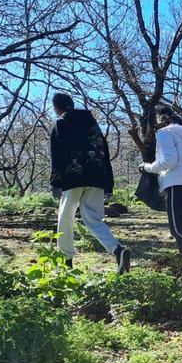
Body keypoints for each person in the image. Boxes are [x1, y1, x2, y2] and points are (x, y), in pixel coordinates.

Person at [49, 92, 130, 273]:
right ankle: (117, 249)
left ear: (56, 107)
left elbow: (57, 154)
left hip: (73, 177)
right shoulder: (92, 124)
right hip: (97, 176)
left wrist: (55, 182)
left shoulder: (61, 123)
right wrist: (108, 183)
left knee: (65, 218)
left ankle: (66, 261)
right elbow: (104, 152)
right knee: (93, 219)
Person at [140, 106, 182, 264]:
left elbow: (170, 161)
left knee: (177, 230)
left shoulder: (165, 133)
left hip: (177, 184)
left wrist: (147, 167)